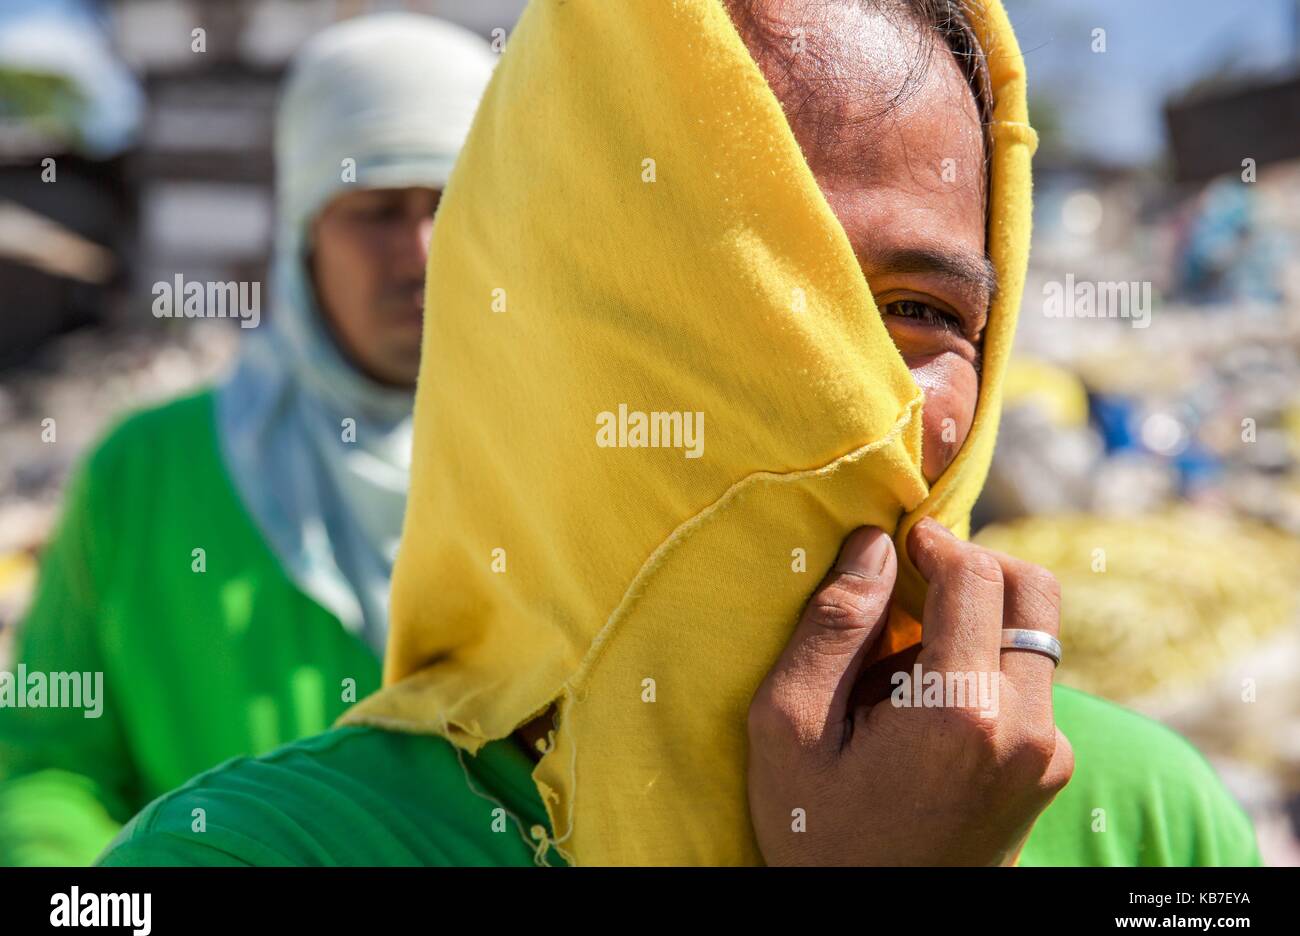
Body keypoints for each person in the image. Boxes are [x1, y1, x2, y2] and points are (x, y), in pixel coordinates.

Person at [99, 0, 1259, 867]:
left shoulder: (1136, 819)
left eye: (920, 312)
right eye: (733, 298)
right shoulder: (243, 854)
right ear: (532, 329)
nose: (838, 392)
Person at [0, 13, 496, 865]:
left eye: (450, 205)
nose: (420, 254)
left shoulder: (559, 477)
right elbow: (51, 760)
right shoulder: (147, 473)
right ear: (303, 230)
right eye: (375, 212)